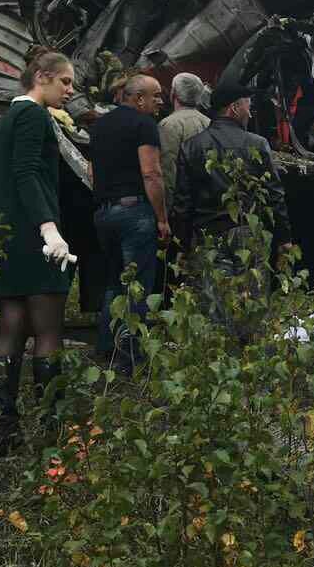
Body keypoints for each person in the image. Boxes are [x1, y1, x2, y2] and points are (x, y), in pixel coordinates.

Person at [0, 49, 76, 457]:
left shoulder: (5, 120)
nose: (70, 91)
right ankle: (53, 432)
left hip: (6, 236)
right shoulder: (34, 116)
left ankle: (3, 428)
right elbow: (26, 173)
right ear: (41, 77)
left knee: (11, 326)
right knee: (48, 331)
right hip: (34, 234)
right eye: (66, 82)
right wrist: (49, 228)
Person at [173, 84, 291, 331]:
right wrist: (284, 237)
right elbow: (274, 194)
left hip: (208, 235)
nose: (251, 112)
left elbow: (183, 202)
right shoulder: (257, 144)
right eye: (248, 105)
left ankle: (220, 359)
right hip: (249, 231)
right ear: (234, 108)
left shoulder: (192, 146)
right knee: (254, 301)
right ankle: (254, 359)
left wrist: (182, 244)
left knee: (215, 304)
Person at [89, 74, 169, 373]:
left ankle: (107, 348)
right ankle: (130, 359)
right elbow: (151, 173)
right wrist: (161, 217)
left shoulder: (99, 125)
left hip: (104, 212)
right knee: (137, 286)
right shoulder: (144, 124)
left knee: (113, 282)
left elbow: (92, 171)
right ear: (139, 99)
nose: (161, 101)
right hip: (134, 211)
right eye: (156, 95)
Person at [159, 72, 209, 203]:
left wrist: (167, 209)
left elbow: (168, 170)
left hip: (182, 202)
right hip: (207, 200)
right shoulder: (209, 122)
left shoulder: (169, 124)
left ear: (173, 93)